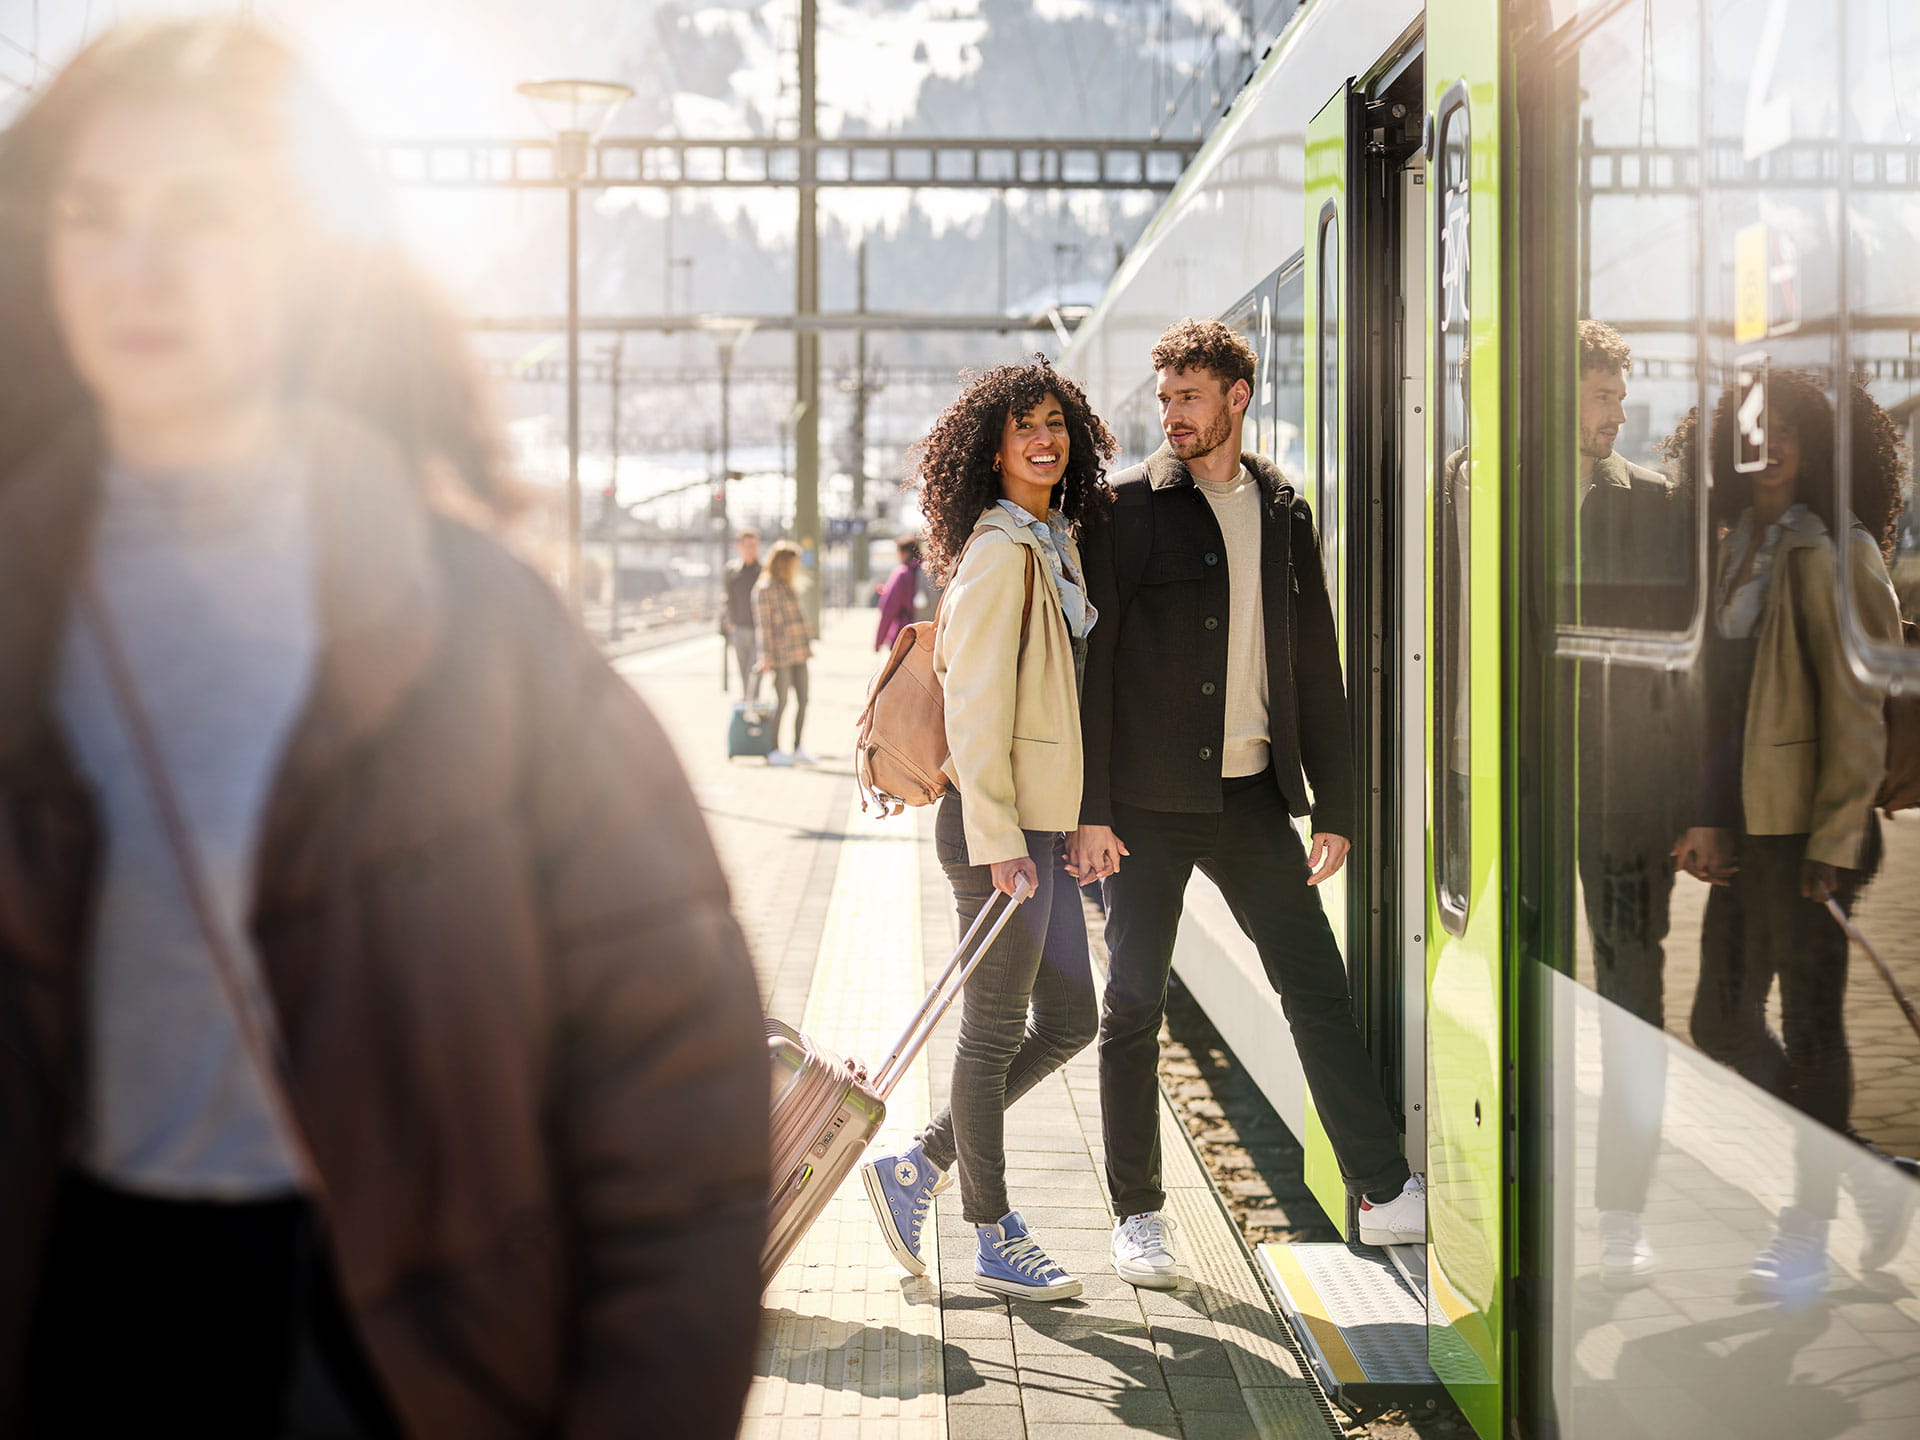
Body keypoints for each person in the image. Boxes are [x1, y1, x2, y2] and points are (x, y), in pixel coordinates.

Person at [0, 23, 768, 1438]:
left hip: (379, 1356)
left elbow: (677, 1098)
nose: (136, 267)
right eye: (94, 213)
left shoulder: (475, 629)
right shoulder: (21, 611)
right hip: (69, 1331)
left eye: (200, 212)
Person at [1068, 318, 1423, 1288]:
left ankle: (1381, 1188)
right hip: (1145, 807)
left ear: (1238, 396)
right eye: (1165, 398)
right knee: (1132, 1004)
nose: (1172, 415)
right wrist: (1092, 809)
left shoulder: (1282, 509)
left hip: (1255, 797)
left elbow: (1317, 663)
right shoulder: (1124, 510)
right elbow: (1094, 669)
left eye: (1189, 396)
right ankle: (1138, 1216)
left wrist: (1337, 803)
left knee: (1317, 988)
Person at [862, 357, 1113, 1301]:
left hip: (1035, 828)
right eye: (1024, 429)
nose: (1045, 441)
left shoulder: (1051, 540)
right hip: (994, 830)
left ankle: (917, 1166)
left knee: (1072, 1020)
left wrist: (1063, 821)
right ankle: (991, 1231)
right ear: (992, 450)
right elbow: (971, 700)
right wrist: (1002, 838)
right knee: (995, 1029)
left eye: (1055, 424)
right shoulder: (1004, 552)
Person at [1672, 370, 1907, 1299]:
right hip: (1746, 824)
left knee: (1811, 1029)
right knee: (1718, 1020)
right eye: (1752, 431)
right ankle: (1861, 1175)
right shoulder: (1734, 545)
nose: (1767, 447)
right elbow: (1715, 700)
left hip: (1809, 834)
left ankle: (1805, 1232)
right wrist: (1705, 812)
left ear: (1819, 446)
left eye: (1787, 432)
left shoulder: (1837, 551)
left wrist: (1834, 842)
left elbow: (1862, 711)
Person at [1569, 320, 1695, 1286]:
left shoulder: (1656, 503)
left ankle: (1623, 1214)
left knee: (1632, 998)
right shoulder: (1468, 488)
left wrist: (1691, 801)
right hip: (1514, 794)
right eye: (1602, 395)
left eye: (1619, 396)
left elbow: (1687, 664)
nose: (1618, 412)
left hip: (1628, 794)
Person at [753, 539, 813, 765]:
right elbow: (764, 626)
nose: (797, 567)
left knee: (803, 699)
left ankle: (798, 747)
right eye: (793, 563)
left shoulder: (789, 586)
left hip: (800, 651)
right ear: (783, 563)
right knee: (782, 701)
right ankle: (773, 749)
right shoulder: (764, 588)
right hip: (780, 654)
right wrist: (765, 656)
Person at [722, 528, 762, 700]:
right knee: (743, 669)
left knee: (755, 670)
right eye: (747, 546)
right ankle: (748, 701)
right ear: (738, 546)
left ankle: (751, 701)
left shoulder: (764, 571)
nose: (751, 549)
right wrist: (730, 622)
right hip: (739, 628)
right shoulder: (732, 571)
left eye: (754, 545)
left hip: (760, 630)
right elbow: (728, 598)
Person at [874, 534, 923, 651]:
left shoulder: (902, 573)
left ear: (904, 553)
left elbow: (889, 609)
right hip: (926, 634)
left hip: (903, 635)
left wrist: (879, 641)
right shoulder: (927, 571)